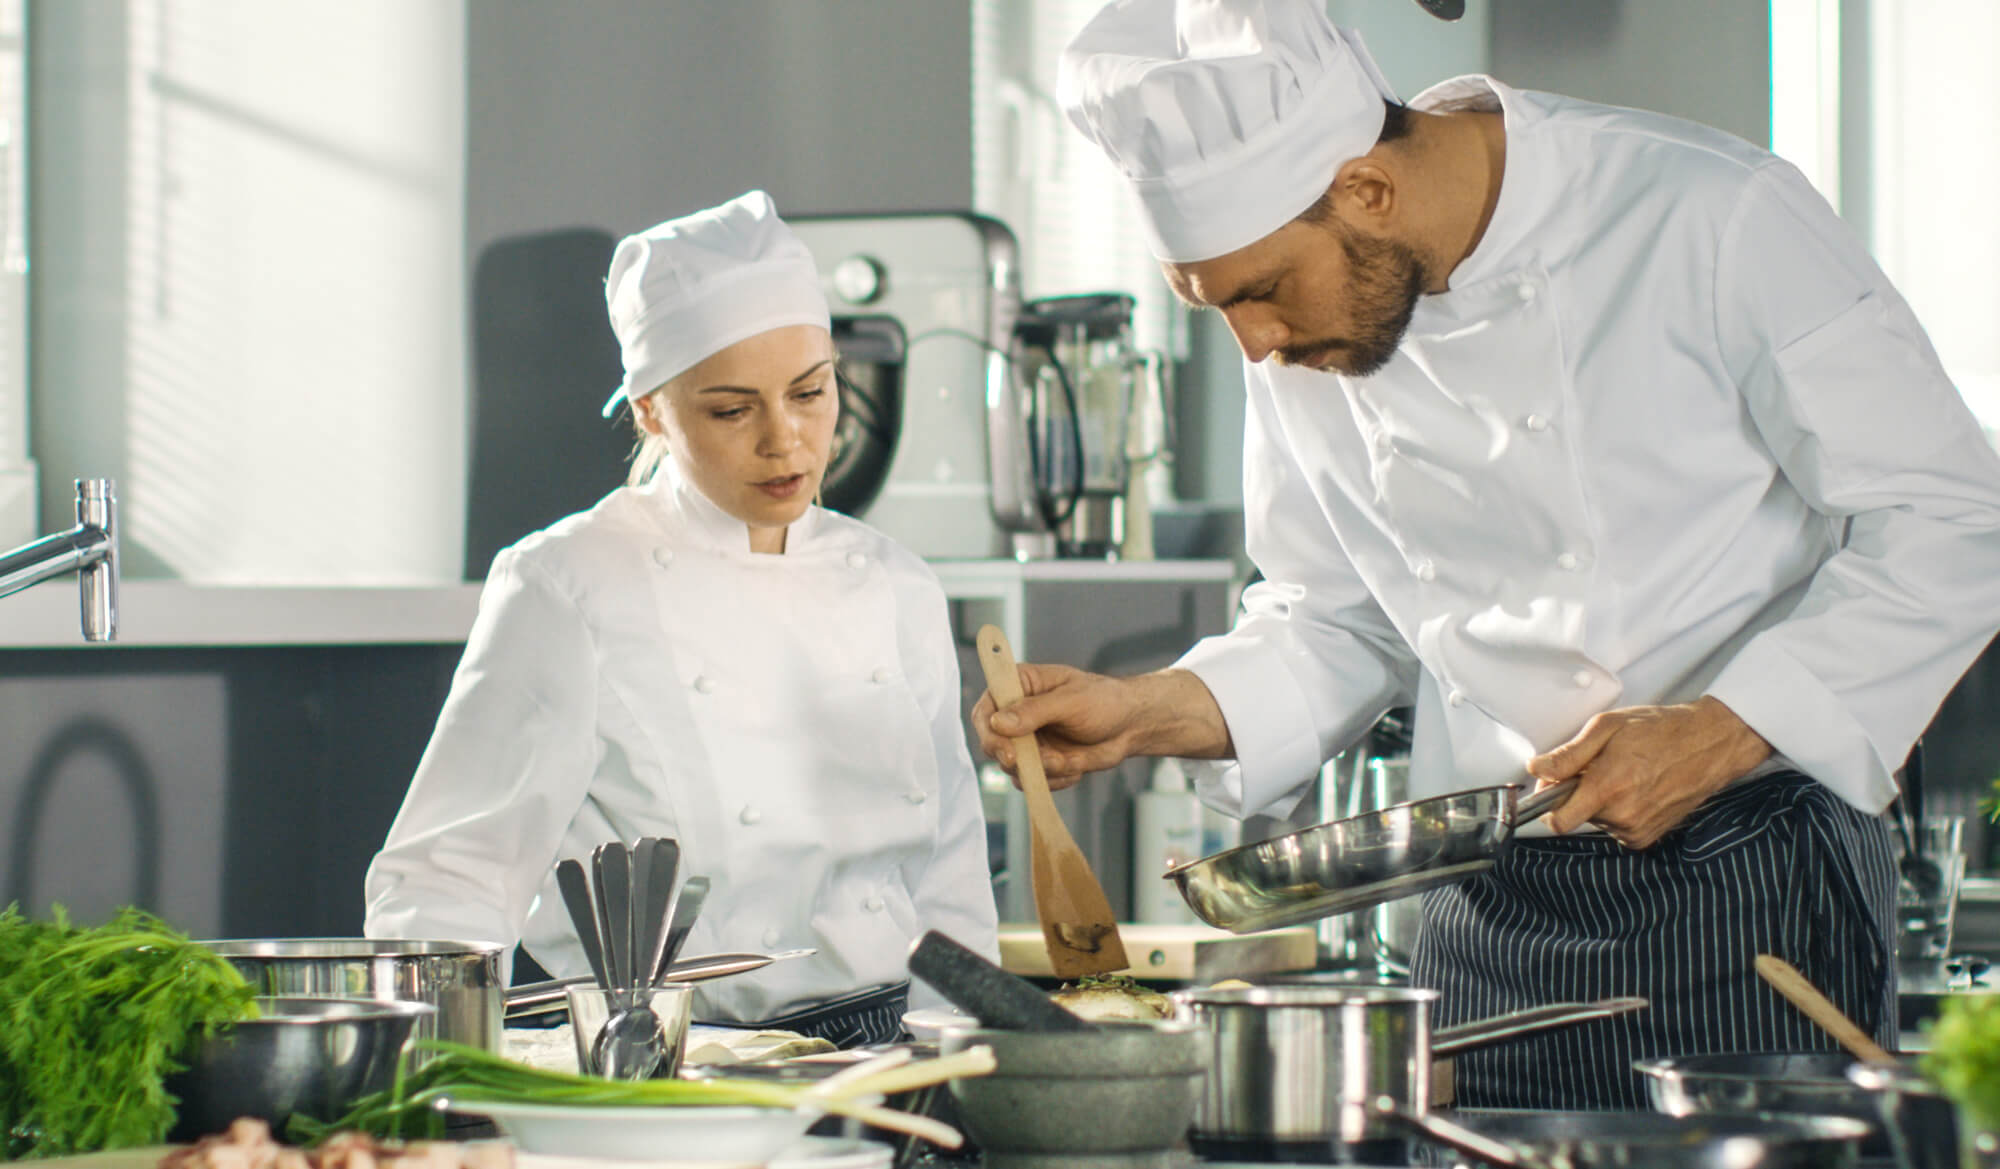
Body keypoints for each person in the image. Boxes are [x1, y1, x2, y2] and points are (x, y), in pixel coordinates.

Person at [972, 0, 2000, 1108]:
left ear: (1366, 187)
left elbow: (1949, 514)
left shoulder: (1711, 215)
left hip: (1749, 879)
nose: (1253, 344)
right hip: (1482, 893)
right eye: (1213, 304)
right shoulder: (1307, 340)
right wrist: (1145, 711)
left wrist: (1717, 730)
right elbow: (1331, 614)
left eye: (1260, 290)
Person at [365, 190, 999, 1048]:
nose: (787, 441)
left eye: (811, 393)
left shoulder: (898, 584)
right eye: (732, 410)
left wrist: (971, 1072)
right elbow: (450, 873)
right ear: (651, 410)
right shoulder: (572, 583)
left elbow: (952, 872)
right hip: (670, 1063)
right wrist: (437, 1079)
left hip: (891, 1059)